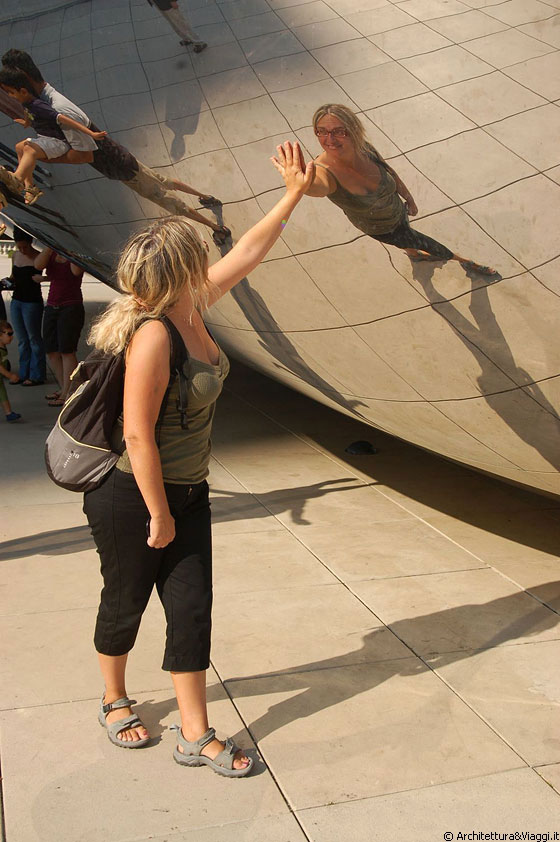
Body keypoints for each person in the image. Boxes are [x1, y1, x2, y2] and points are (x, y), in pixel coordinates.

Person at [82, 141, 312, 776]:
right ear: (183, 269)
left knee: (190, 608)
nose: (212, 257)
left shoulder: (193, 307)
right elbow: (136, 435)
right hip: (134, 495)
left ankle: (196, 730)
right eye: (200, 254)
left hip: (187, 490)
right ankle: (113, 698)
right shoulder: (155, 333)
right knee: (125, 599)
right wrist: (159, 512)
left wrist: (292, 193)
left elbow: (247, 252)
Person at [1, 50, 229, 242]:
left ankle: (216, 228)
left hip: (120, 166)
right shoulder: (42, 102)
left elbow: (84, 156)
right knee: (163, 181)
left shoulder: (59, 109)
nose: (11, 96)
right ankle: (206, 197)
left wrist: (45, 157)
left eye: (11, 89)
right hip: (121, 160)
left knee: (167, 200)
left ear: (24, 80)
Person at [303, 103, 495, 276]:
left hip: (397, 210)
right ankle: (467, 262)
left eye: (339, 131)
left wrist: (409, 198)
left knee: (407, 239)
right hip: (382, 229)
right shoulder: (324, 172)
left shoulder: (364, 148)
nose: (329, 139)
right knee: (434, 248)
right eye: (321, 131)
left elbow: (390, 172)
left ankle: (414, 255)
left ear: (353, 130)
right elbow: (318, 188)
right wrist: (303, 184)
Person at [0, 68, 107, 204]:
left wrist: (91, 133)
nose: (10, 96)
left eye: (11, 93)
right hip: (46, 139)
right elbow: (28, 113)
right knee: (20, 147)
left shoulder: (38, 105)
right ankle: (30, 188)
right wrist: (26, 122)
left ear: (23, 91)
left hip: (58, 142)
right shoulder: (25, 102)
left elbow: (63, 118)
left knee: (29, 149)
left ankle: (17, 178)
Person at [34, 246, 84, 406]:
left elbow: (76, 272)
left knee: (67, 351)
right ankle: (64, 388)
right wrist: (48, 249)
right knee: (51, 351)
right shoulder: (51, 252)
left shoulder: (73, 253)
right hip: (52, 304)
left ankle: (68, 393)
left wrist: (69, 253)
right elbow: (38, 265)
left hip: (71, 306)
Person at [6, 227, 46, 385]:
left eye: (25, 247)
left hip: (32, 302)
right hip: (17, 301)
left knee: (34, 338)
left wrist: (43, 278)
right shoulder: (15, 255)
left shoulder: (38, 257)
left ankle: (36, 374)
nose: (22, 250)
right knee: (22, 340)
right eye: (19, 247)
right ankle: (24, 373)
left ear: (31, 243)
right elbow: (13, 276)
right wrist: (7, 282)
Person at [0, 320, 22, 421]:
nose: (12, 337)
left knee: (3, 394)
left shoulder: (3, 348)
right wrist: (9, 375)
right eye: (9, 334)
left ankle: (9, 413)